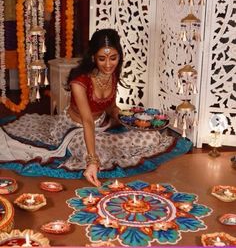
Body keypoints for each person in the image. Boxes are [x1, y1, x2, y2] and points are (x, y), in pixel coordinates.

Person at [0, 28, 173, 186]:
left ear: (119, 56)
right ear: (93, 58)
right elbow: (88, 121)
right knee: (99, 156)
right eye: (102, 59)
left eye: (113, 58)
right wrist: (92, 160)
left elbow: (111, 107)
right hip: (75, 128)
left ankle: (106, 143)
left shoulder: (112, 73)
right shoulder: (80, 82)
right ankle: (94, 155)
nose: (108, 64)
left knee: (152, 137)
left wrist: (127, 119)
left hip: (102, 124)